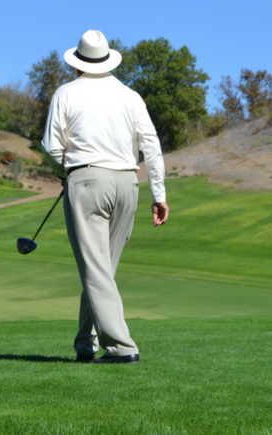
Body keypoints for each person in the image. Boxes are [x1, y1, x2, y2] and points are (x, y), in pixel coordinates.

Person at [41, 30, 169, 364]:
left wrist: (64, 170)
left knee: (96, 269)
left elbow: (51, 147)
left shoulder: (65, 93)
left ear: (77, 62)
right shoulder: (131, 96)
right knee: (101, 269)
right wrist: (159, 194)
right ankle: (85, 344)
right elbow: (152, 147)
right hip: (128, 184)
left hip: (86, 181)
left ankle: (121, 347)